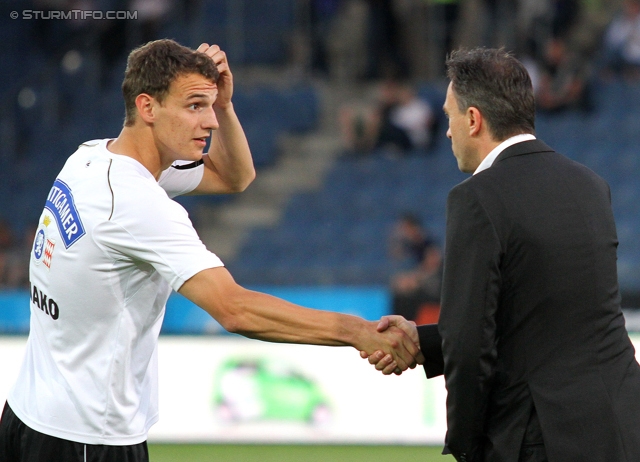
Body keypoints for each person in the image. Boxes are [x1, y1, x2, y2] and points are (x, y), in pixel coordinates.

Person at [0, 39, 423, 462]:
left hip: (25, 414)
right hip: (86, 438)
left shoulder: (90, 157)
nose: (210, 122)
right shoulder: (137, 205)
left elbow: (234, 177)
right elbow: (234, 308)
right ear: (148, 107)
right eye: (195, 106)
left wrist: (224, 105)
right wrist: (357, 332)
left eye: (210, 105)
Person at [364, 47, 640, 461]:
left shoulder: (477, 198)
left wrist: (465, 443)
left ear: (473, 120)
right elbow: (545, 321)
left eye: (449, 117)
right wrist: (421, 342)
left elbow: (472, 341)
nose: (447, 132)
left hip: (541, 438)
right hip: (623, 425)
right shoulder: (590, 186)